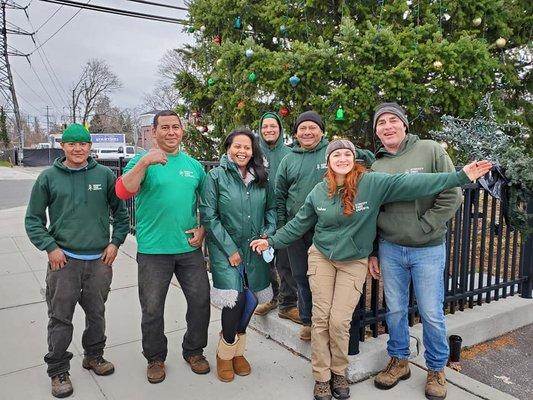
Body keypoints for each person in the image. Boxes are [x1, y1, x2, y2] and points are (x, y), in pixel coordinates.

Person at [251, 139, 491, 400]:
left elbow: (412, 184)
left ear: (353, 158)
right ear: (328, 161)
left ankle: (339, 372)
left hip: (353, 261)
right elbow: (298, 224)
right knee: (320, 320)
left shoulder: (371, 183)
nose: (342, 159)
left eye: (346, 154)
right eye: (336, 155)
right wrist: (271, 240)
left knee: (339, 321)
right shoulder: (319, 191)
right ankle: (322, 376)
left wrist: (458, 176)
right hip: (321, 257)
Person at [25, 124, 129, 398]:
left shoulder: (105, 175)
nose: (78, 149)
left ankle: (94, 356)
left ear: (89, 147)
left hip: (99, 261)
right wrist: (50, 247)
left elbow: (121, 214)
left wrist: (115, 242)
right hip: (64, 262)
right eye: (72, 144)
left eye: (83, 144)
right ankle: (58, 370)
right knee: (60, 318)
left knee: (97, 313)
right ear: (63, 147)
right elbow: (33, 220)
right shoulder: (48, 178)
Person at [368, 103, 463, 400]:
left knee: (432, 313)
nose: (387, 126)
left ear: (405, 125)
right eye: (381, 122)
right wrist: (373, 251)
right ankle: (399, 360)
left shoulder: (430, 149)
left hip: (428, 249)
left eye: (393, 120)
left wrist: (426, 225)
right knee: (394, 309)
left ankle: (436, 367)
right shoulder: (376, 165)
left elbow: (452, 193)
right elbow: (370, 211)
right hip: (391, 248)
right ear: (376, 131)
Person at [115, 110, 210, 384]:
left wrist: (203, 228)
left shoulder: (194, 166)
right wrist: (144, 162)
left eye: (176, 127)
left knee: (201, 300)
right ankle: (155, 358)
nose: (171, 132)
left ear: (182, 131)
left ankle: (194, 350)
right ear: (154, 132)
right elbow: (123, 192)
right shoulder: (141, 161)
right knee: (153, 308)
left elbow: (207, 203)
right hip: (154, 250)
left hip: (188, 247)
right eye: (164, 127)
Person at [276, 111, 374, 341]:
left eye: (313, 127)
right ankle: (309, 320)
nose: (307, 132)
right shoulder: (288, 159)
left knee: (332, 277)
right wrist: (282, 227)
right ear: (296, 133)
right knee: (301, 275)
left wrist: (348, 150)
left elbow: (369, 158)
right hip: (297, 228)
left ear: (322, 131)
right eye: (302, 128)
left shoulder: (332, 152)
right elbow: (279, 195)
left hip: (328, 227)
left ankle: (338, 323)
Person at [200, 128, 276, 382]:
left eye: (247, 147)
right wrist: (230, 249)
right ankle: (225, 353)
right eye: (237, 146)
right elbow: (209, 216)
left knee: (253, 300)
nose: (242, 151)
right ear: (228, 148)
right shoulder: (216, 177)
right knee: (236, 301)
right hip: (226, 249)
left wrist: (267, 233)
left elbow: (272, 210)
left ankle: (238, 352)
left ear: (253, 150)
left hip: (254, 248)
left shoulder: (261, 177)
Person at [255, 112, 300, 323]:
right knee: (263, 259)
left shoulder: (289, 153)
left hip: (283, 214)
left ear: (280, 129)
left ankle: (288, 303)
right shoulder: (254, 152)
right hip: (259, 212)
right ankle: (271, 297)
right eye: (265, 126)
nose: (269, 130)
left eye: (273, 126)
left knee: (285, 261)